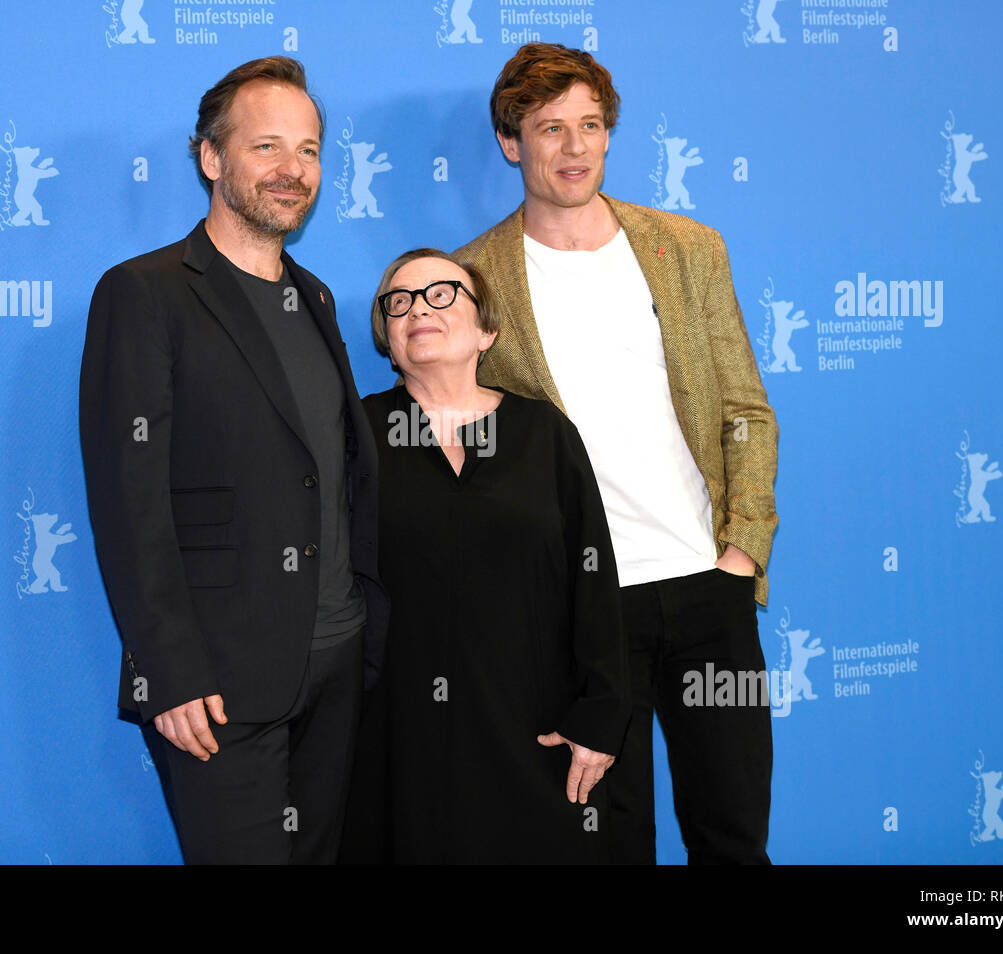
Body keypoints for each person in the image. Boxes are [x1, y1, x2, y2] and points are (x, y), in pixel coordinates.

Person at [456, 43, 779, 865]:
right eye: (550, 128)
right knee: (603, 843)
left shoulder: (687, 248)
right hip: (583, 613)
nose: (574, 148)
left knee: (734, 837)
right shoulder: (473, 279)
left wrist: (741, 552)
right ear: (510, 142)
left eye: (591, 125)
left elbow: (745, 407)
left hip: (709, 591)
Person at [77, 56, 387, 864]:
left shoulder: (314, 298)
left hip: (335, 662)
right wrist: (167, 672)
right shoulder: (145, 294)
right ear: (212, 158)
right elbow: (127, 501)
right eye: (268, 147)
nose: (294, 171)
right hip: (215, 683)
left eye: (311, 151)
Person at [339, 249, 630, 864]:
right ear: (387, 341)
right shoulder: (353, 437)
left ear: (486, 331)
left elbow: (595, 581)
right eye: (400, 301)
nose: (419, 307)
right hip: (396, 743)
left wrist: (601, 715)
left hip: (538, 737)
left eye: (442, 293)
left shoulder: (544, 434)